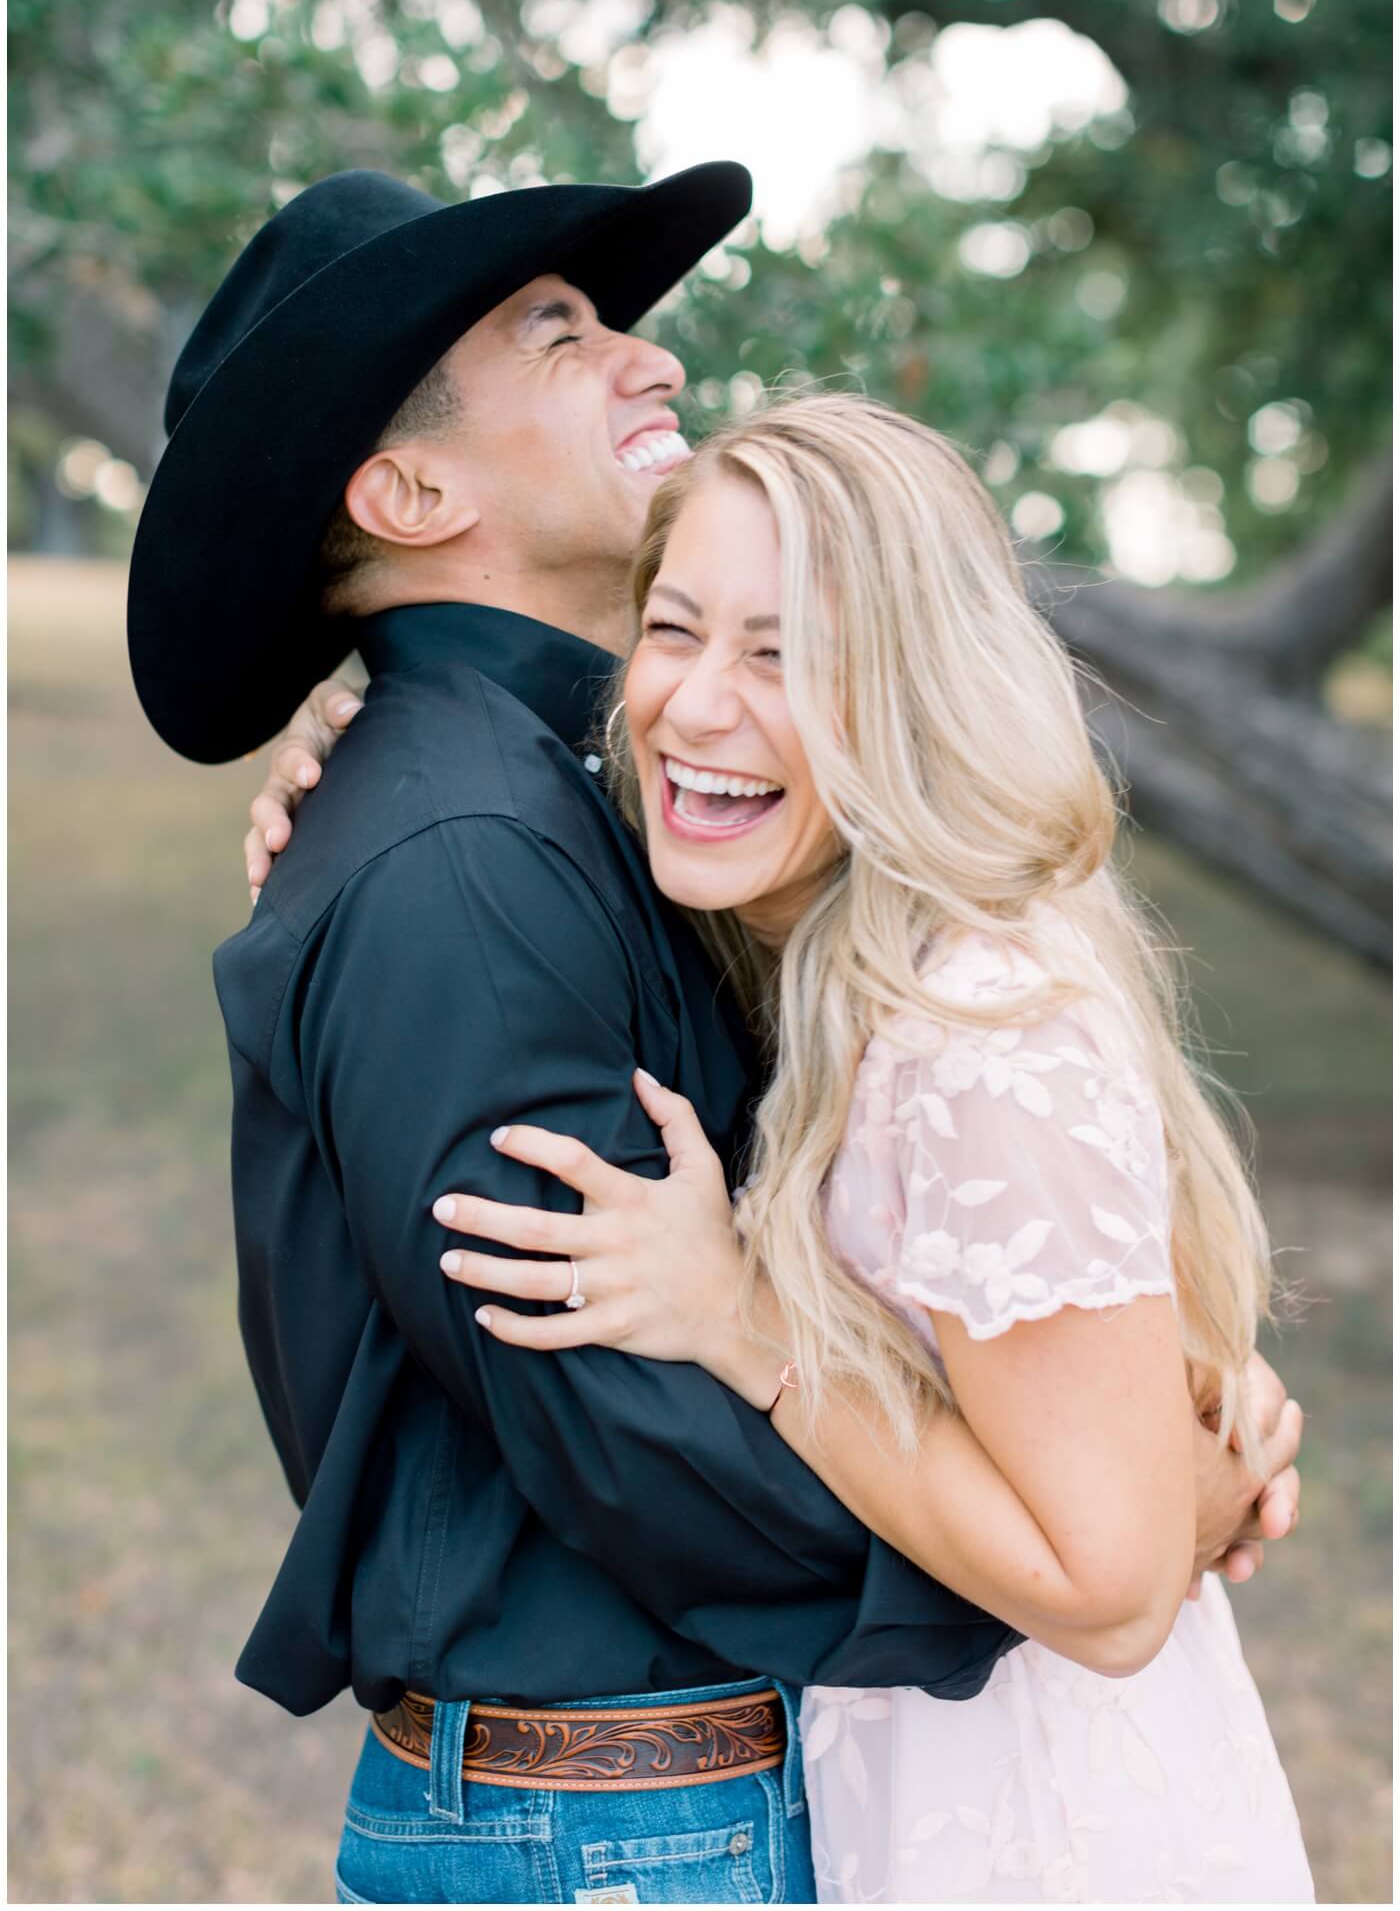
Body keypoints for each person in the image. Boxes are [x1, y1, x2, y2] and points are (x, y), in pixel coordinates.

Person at [137, 169, 1298, 1908]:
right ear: (407, 488)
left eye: (776, 643)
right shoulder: (465, 851)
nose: (648, 357)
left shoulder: (604, 807)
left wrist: (1114, 1430)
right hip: (612, 1824)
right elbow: (623, 1426)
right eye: (560, 333)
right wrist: (1102, 1539)